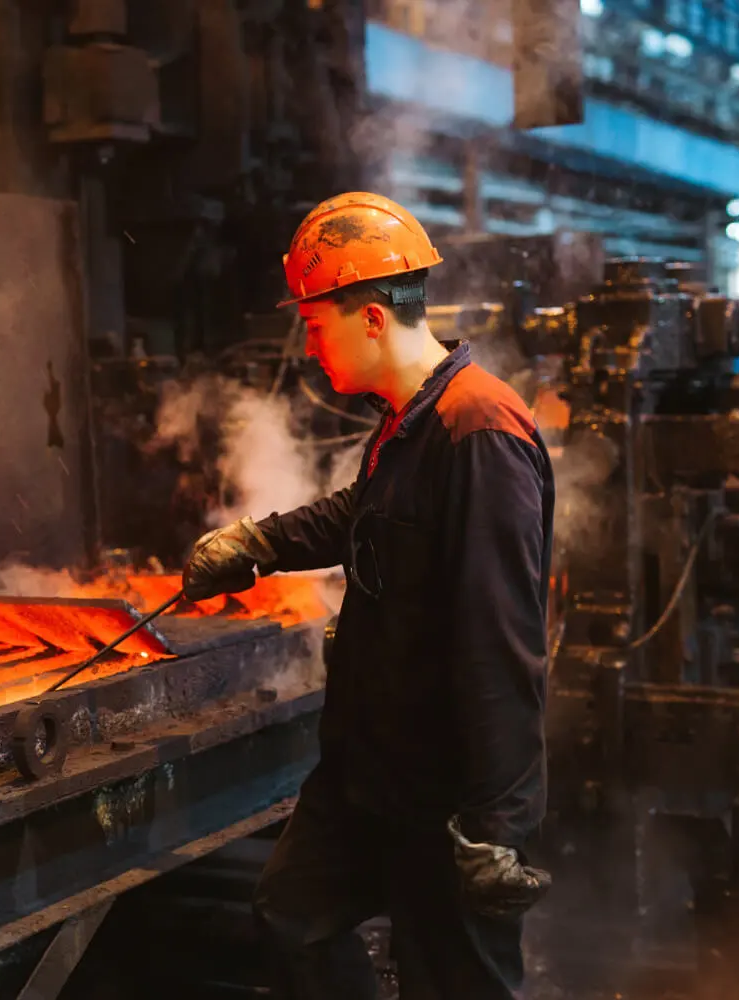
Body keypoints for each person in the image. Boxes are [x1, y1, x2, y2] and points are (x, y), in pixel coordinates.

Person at [182, 192, 555, 999]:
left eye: (317, 327)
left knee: (458, 982)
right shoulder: (410, 421)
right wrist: (257, 546)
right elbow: (366, 517)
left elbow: (502, 644)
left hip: (446, 794)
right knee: (292, 916)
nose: (311, 349)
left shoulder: (477, 430)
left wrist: (497, 828)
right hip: (374, 775)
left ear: (375, 317)